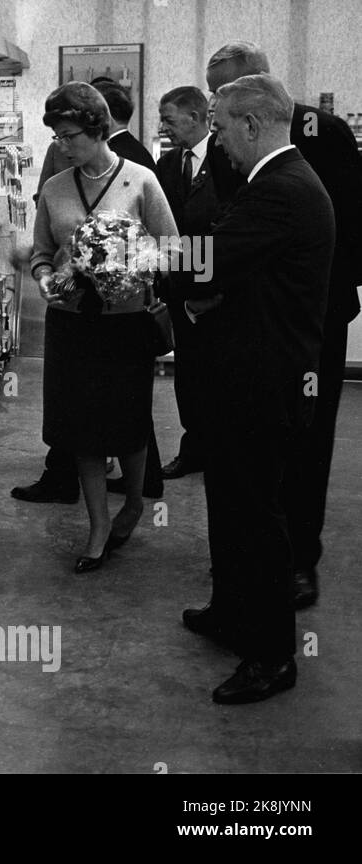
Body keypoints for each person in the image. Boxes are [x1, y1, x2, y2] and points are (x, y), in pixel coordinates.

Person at [180, 73, 334, 704]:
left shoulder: (282, 189)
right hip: (241, 377)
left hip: (261, 384)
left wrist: (128, 257)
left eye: (218, 126)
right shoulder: (271, 183)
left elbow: (210, 257)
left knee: (256, 518)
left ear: (250, 124)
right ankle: (231, 612)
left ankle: (271, 656)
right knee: (230, 504)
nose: (215, 139)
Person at [205, 42, 362, 609]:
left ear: (256, 97)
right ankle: (243, 582)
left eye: (220, 99)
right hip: (252, 312)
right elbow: (220, 221)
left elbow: (347, 229)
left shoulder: (320, 142)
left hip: (302, 317)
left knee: (299, 445)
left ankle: (295, 560)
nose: (212, 119)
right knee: (244, 458)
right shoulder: (254, 152)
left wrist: (153, 259)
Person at [30, 83, 178, 573]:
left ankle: (133, 503)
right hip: (72, 325)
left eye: (70, 135)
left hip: (125, 324)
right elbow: (41, 254)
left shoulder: (140, 180)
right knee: (81, 430)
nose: (61, 145)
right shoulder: (53, 189)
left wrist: (134, 263)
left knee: (128, 423)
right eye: (56, 135)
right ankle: (96, 528)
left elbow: (173, 247)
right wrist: (46, 278)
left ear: (98, 130)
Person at [154, 86, 244, 479]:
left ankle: (222, 451)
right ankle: (194, 450)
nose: (164, 127)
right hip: (179, 284)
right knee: (188, 375)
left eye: (170, 120)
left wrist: (213, 283)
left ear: (195, 117)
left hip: (218, 287)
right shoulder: (168, 164)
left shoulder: (228, 160)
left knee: (220, 376)